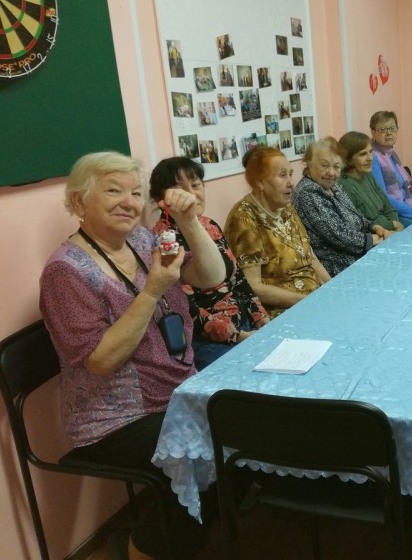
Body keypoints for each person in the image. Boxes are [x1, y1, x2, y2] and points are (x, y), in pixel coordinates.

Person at [39, 152, 225, 560]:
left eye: (136, 193)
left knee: (238, 431)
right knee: (202, 450)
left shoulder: (142, 240)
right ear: (79, 201)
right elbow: (101, 361)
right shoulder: (65, 272)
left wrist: (190, 222)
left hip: (177, 388)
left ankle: (179, 539)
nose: (129, 202)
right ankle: (138, 549)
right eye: (113, 191)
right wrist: (153, 290)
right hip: (114, 416)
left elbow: (212, 276)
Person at [149, 156, 270, 370]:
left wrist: (261, 318)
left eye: (196, 185)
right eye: (180, 189)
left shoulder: (209, 225)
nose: (192, 194)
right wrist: (240, 336)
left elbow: (238, 278)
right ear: (162, 198)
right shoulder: (163, 241)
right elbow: (187, 308)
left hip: (246, 325)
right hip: (211, 340)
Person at [224, 147, 330, 317]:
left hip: (312, 298)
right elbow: (253, 286)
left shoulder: (286, 207)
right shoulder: (244, 218)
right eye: (282, 175)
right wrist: (308, 301)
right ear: (260, 183)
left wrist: (331, 290)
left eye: (290, 174)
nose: (291, 182)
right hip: (281, 310)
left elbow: (310, 257)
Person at [292, 136, 390, 276]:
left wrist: (374, 226)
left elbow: (354, 215)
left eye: (336, 167)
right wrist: (373, 239)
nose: (331, 172)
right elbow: (338, 235)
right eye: (324, 166)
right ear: (309, 164)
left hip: (357, 256)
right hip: (337, 266)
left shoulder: (332, 186)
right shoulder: (307, 192)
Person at [338, 131, 404, 233]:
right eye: (363, 154)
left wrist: (394, 224)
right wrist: (391, 225)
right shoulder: (343, 185)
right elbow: (362, 223)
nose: (370, 158)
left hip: (389, 230)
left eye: (370, 152)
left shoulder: (367, 175)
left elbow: (388, 206)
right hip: (374, 236)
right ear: (348, 158)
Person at [369, 110, 412, 226]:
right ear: (373, 132)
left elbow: (408, 190)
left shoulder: (392, 154)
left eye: (392, 128)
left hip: (407, 208)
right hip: (392, 214)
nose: (388, 133)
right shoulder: (373, 157)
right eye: (382, 129)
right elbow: (382, 197)